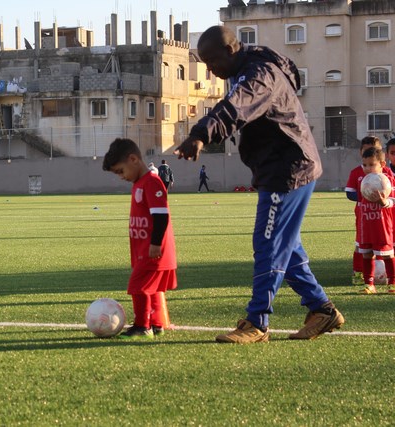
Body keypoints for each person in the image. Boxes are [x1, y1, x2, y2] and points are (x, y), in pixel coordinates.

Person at [174, 25, 344, 343]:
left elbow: (236, 108)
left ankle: (257, 323)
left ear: (231, 50)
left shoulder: (259, 76)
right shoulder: (245, 71)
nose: (210, 70)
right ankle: (322, 309)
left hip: (288, 170)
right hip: (280, 168)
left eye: (212, 61)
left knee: (267, 243)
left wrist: (201, 134)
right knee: (285, 246)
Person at [102, 138, 178, 338]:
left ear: (133, 159)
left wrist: (155, 243)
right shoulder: (139, 183)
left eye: (120, 171)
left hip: (153, 250)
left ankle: (142, 326)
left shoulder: (152, 182)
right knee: (149, 288)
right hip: (143, 248)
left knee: (137, 287)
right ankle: (157, 324)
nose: (120, 177)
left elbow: (161, 216)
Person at [345, 136, 384, 286]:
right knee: (360, 244)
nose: (370, 152)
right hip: (363, 216)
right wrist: (365, 196)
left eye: (374, 150)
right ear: (361, 152)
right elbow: (349, 193)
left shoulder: (385, 173)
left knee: (384, 245)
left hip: (382, 216)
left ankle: (383, 274)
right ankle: (358, 272)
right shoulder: (357, 172)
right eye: (366, 150)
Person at [356, 147, 395, 294]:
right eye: (365, 165)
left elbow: (393, 200)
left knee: (387, 254)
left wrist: (384, 202)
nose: (367, 168)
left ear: (382, 164)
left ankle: (392, 282)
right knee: (367, 254)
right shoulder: (363, 180)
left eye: (372, 165)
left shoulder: (387, 180)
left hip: (382, 225)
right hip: (366, 224)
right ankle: (369, 284)